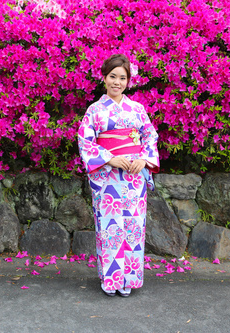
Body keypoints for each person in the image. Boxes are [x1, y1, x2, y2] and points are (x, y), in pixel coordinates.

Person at [78, 54, 159, 297]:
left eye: (122, 78)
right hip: (107, 178)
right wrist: (109, 158)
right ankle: (111, 280)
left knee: (134, 227)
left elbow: (150, 136)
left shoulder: (137, 109)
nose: (117, 82)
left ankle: (129, 280)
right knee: (109, 227)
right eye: (112, 76)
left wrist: (144, 159)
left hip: (134, 176)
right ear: (104, 78)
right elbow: (85, 140)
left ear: (128, 81)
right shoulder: (94, 110)